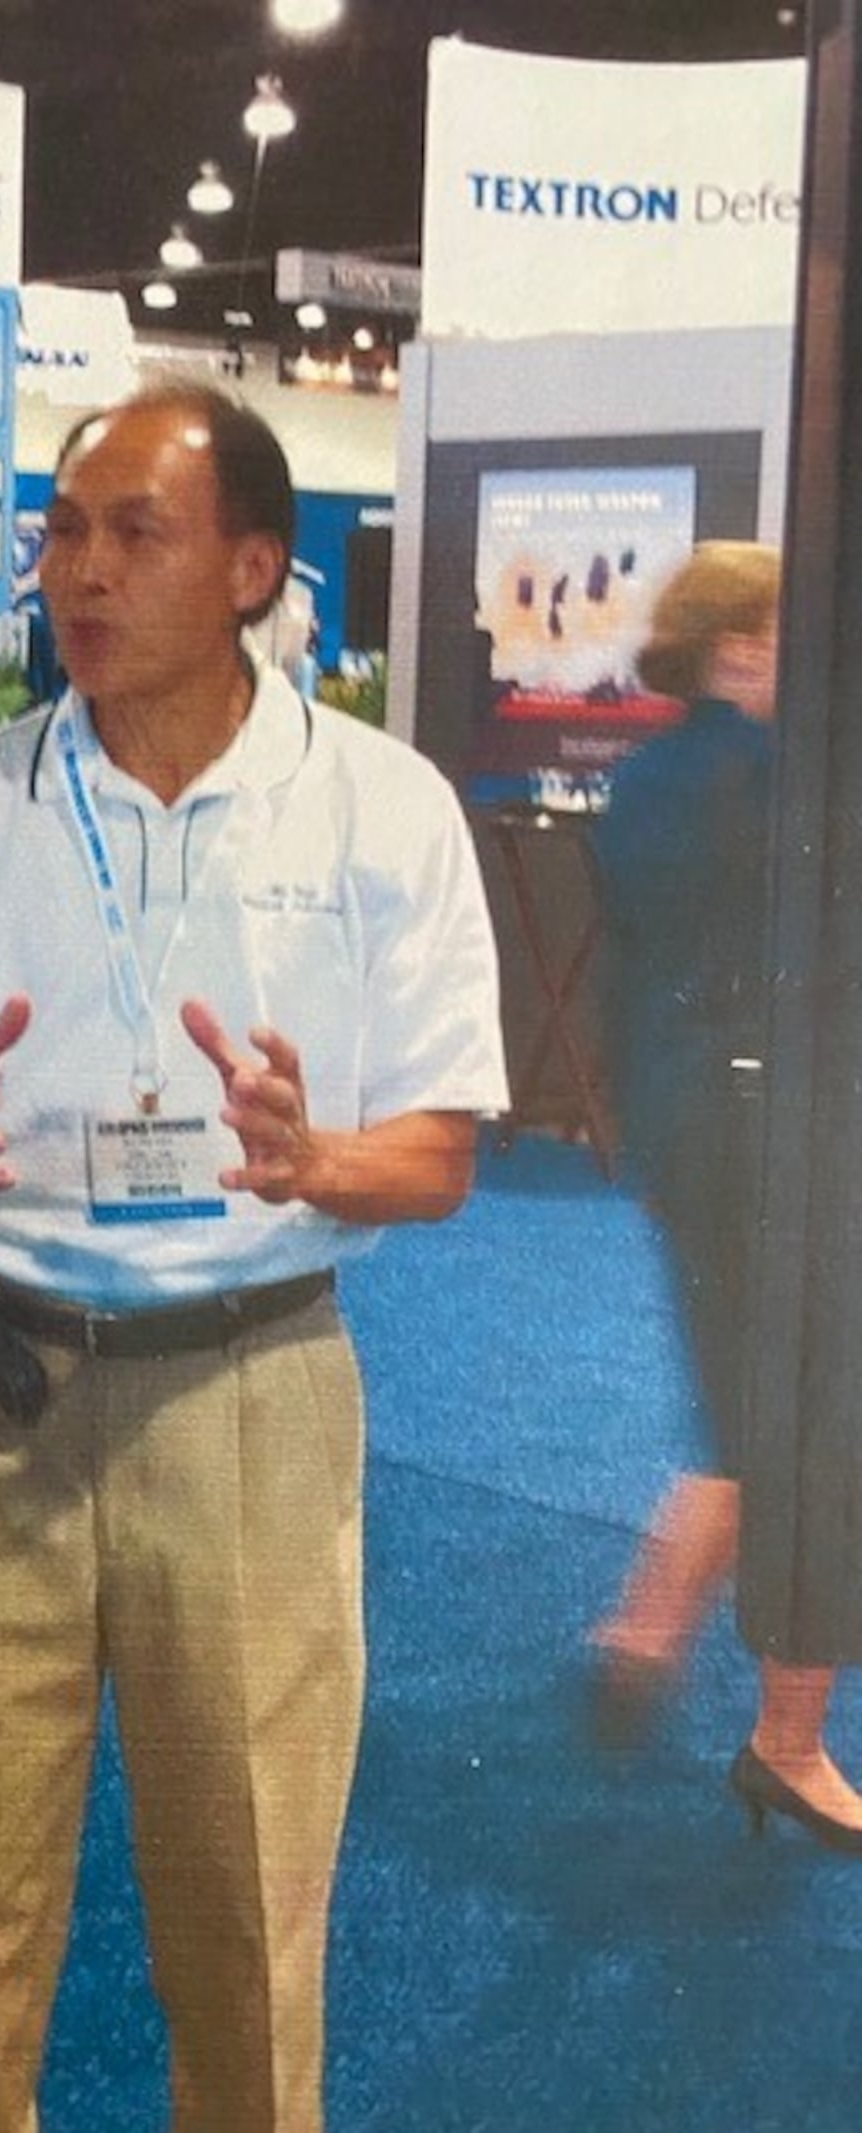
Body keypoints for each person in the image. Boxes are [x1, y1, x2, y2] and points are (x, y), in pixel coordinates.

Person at [0, 382, 508, 2131]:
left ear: (256, 567)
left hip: (249, 1392)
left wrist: (313, 1153)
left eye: (137, 532)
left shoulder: (382, 808)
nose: (81, 571)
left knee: (248, 1904)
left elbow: (438, 1153)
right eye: (63, 531)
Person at [589, 540, 862, 1849]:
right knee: (798, 1428)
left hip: (684, 1131)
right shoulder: (775, 785)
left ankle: (654, 1628)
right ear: (741, 644)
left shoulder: (643, 785)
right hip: (784, 1139)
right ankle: (783, 1737)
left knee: (753, 1403)